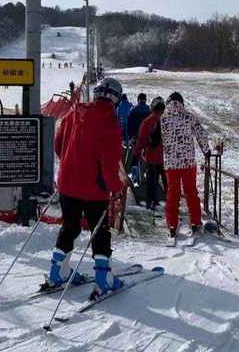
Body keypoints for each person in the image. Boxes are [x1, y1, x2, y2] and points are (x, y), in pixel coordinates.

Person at [45, 77, 125, 298]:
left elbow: (58, 143)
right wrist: (115, 186)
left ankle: (57, 272)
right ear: (115, 99)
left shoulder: (74, 112)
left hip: (67, 183)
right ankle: (103, 278)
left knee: (69, 226)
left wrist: (71, 165)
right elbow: (109, 160)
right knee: (99, 230)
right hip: (94, 188)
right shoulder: (109, 120)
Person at [161, 92, 210, 238]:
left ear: (168, 103)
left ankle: (171, 225)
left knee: (172, 194)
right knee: (191, 192)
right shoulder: (188, 117)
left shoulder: (163, 119)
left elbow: (156, 138)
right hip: (188, 162)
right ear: (182, 103)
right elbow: (201, 133)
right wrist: (206, 151)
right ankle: (195, 222)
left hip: (170, 164)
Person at [133, 96, 168, 210]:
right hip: (164, 157)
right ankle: (169, 203)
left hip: (151, 156)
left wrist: (136, 153)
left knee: (151, 181)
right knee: (165, 181)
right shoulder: (167, 120)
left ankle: (150, 203)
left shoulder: (148, 121)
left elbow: (142, 139)